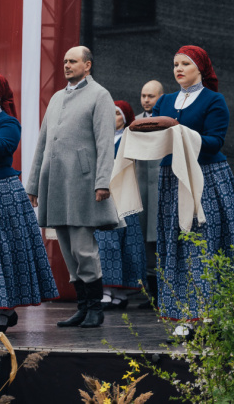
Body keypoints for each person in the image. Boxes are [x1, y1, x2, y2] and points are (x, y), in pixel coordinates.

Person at [152, 45, 234, 337]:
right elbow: (153, 137)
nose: (179, 69)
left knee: (204, 242)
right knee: (178, 243)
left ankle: (212, 313)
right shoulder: (165, 101)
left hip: (205, 177)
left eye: (185, 64)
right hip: (172, 178)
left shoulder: (213, 100)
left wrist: (182, 134)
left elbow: (215, 141)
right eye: (176, 64)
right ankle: (186, 314)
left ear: (201, 69)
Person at [26, 46, 119, 328]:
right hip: (56, 183)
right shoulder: (56, 97)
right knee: (67, 248)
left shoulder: (100, 95)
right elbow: (42, 142)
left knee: (83, 248)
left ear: (87, 65)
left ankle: (95, 309)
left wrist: (102, 181)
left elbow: (105, 142)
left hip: (82, 182)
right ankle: (83, 307)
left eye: (73, 61)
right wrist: (33, 185)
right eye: (65, 61)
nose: (67, 65)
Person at [0, 71, 58, 333]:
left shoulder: (8, 122)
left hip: (2, 194)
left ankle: (7, 311)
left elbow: (4, 147)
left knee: (6, 252)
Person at [95, 100, 147, 310]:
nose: (112, 117)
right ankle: (107, 290)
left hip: (123, 196)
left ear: (125, 119)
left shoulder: (129, 139)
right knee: (106, 243)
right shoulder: (101, 138)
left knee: (126, 246)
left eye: (117, 113)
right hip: (105, 197)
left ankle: (119, 292)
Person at [135, 80, 163, 309]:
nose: (146, 100)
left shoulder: (170, 122)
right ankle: (152, 296)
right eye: (143, 95)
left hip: (163, 189)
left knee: (161, 242)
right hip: (141, 192)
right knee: (145, 244)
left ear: (161, 97)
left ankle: (166, 295)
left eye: (151, 96)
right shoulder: (134, 123)